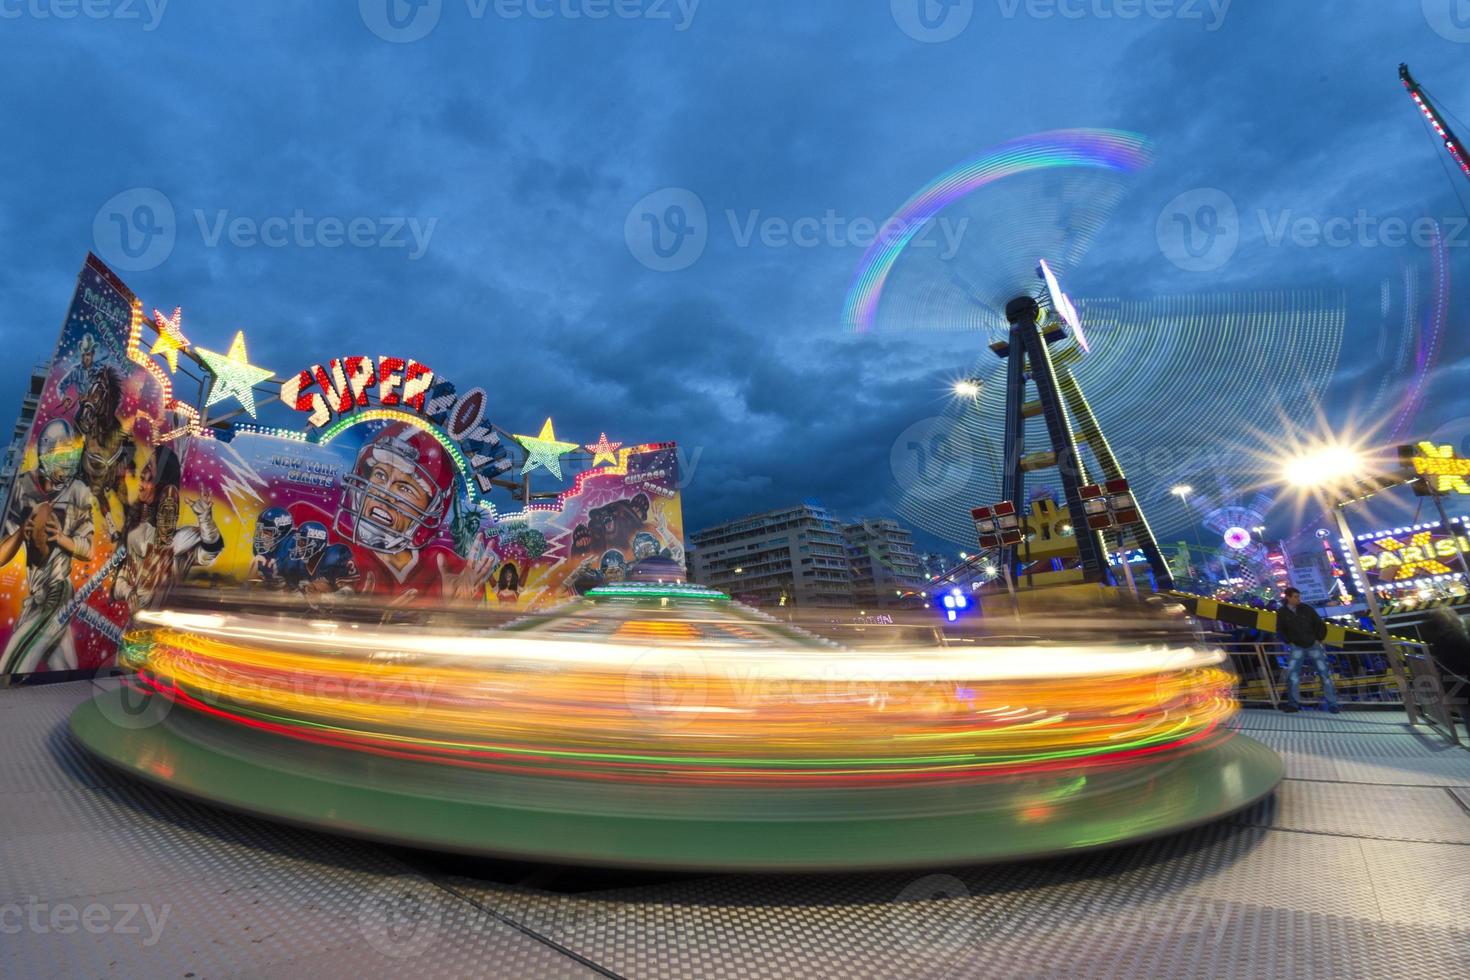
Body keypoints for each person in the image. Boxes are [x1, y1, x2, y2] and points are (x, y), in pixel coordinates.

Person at [1275, 586, 1339, 713]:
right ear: (1288, 597)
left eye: (1298, 596)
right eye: (1295, 597)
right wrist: (1289, 641)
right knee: (1319, 673)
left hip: (1308, 644)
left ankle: (1332, 704)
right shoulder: (1283, 612)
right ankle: (1296, 704)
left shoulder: (1305, 609)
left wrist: (1318, 638)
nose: (1298, 599)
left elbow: (1319, 625)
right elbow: (1280, 630)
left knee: (1318, 674)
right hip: (1301, 645)